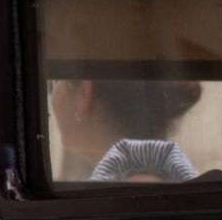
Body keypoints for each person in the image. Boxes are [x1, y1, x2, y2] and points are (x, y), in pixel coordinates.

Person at [49, 73, 202, 183]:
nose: (52, 96)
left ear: (84, 93)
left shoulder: (93, 207)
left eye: (55, 82)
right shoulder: (189, 187)